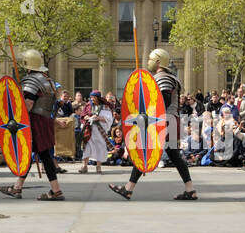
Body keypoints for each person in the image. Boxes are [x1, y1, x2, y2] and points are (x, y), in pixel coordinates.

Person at [109, 48, 199, 200]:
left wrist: (147, 118)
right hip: (169, 120)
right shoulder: (168, 77)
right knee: (173, 155)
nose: (148, 62)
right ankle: (190, 190)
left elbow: (162, 103)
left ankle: (128, 188)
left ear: (158, 61)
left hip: (164, 121)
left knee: (145, 151)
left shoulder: (163, 77)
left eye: (151, 59)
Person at [0, 48, 66, 201]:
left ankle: (52, 190)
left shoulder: (32, 80)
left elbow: (28, 104)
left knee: (35, 154)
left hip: (34, 121)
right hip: (45, 121)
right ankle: (20, 187)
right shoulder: (48, 80)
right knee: (38, 155)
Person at [79, 91, 112, 173]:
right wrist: (86, 117)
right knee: (87, 147)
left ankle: (98, 166)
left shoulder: (105, 107)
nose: (91, 99)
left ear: (98, 98)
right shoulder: (88, 105)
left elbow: (109, 118)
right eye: (91, 97)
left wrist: (99, 118)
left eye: (93, 97)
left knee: (100, 148)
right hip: (89, 130)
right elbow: (83, 115)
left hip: (100, 131)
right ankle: (84, 166)